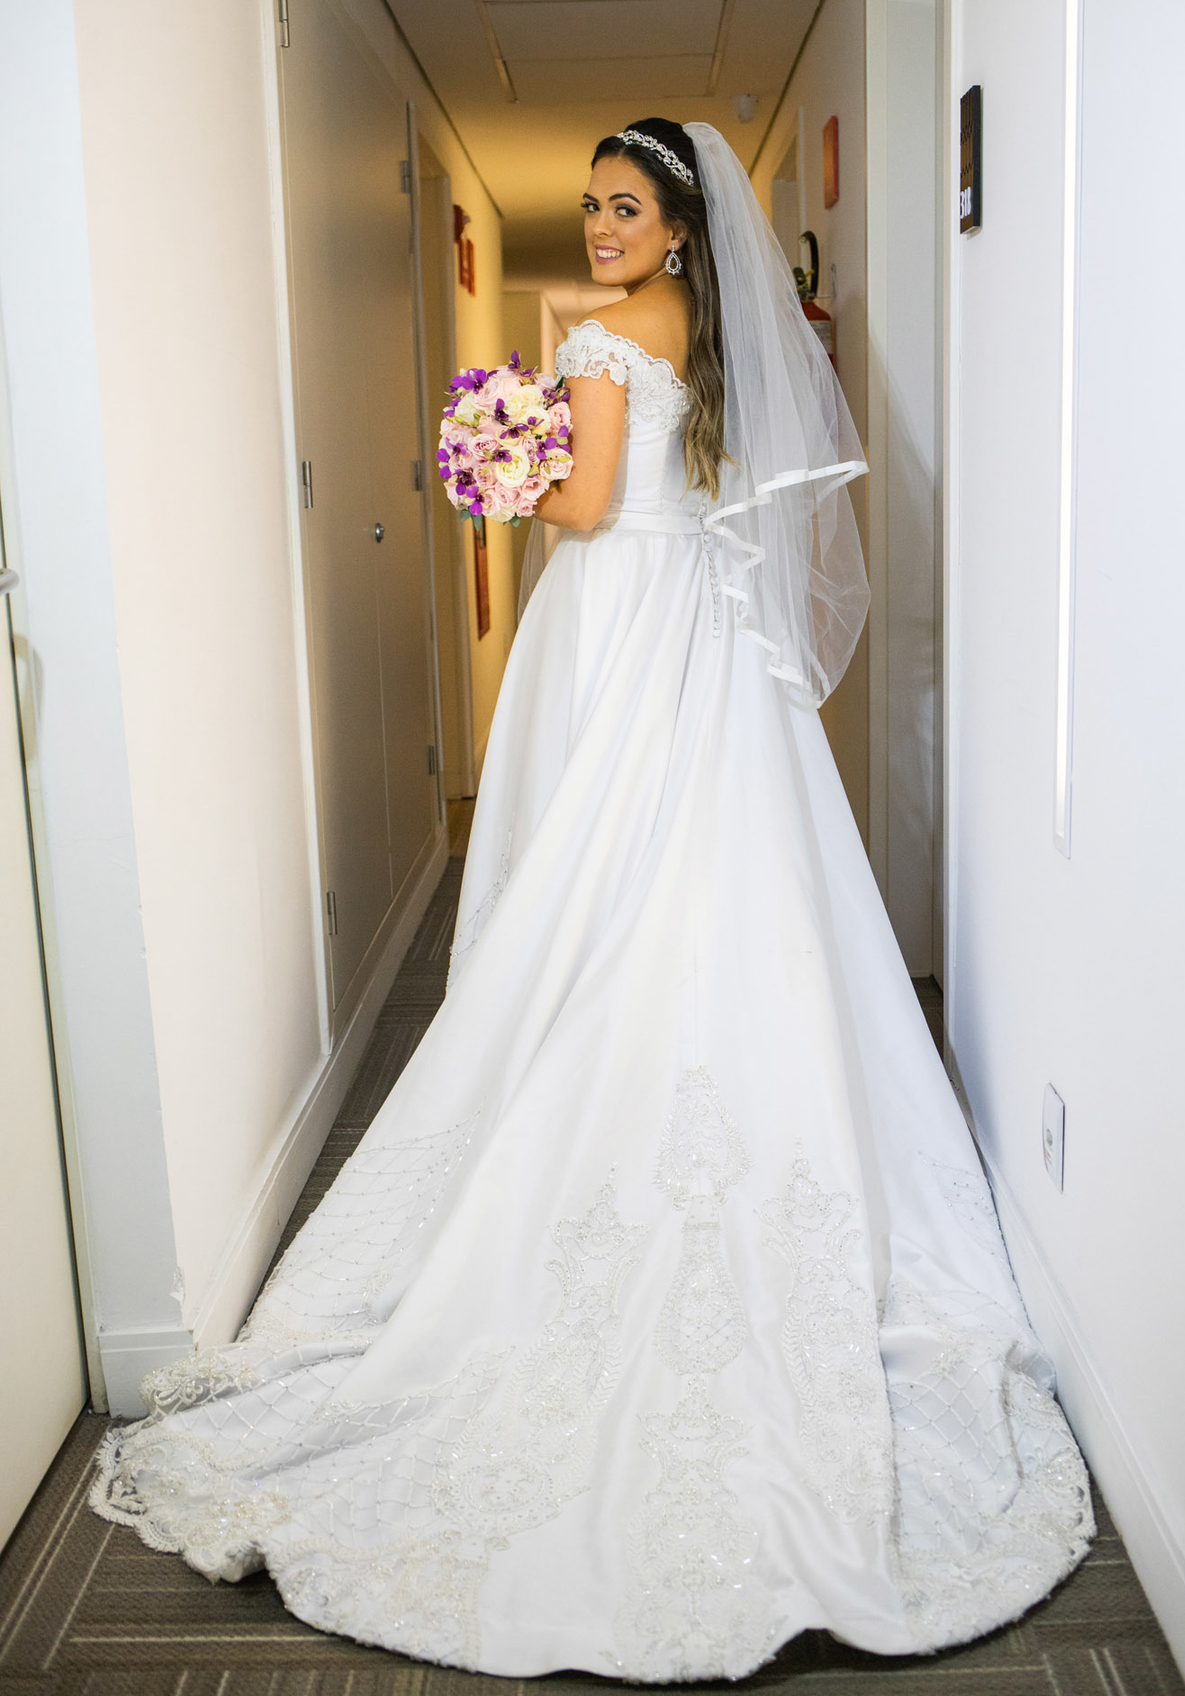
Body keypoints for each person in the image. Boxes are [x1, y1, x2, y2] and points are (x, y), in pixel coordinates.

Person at [91, 119, 1093, 1679]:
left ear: (682, 227)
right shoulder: (712, 333)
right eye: (592, 207)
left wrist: (500, 459)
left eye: (627, 207)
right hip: (702, 629)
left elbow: (582, 508)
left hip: (620, 622)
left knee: (592, 876)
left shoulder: (613, 336)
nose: (603, 226)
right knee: (723, 879)